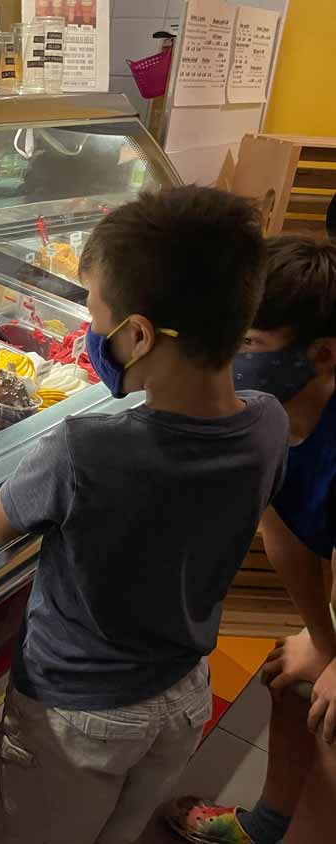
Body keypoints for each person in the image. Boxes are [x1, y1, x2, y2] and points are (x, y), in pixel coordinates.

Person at [0, 186, 289, 844]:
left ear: (138, 335)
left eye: (94, 316)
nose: (90, 333)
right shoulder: (268, 422)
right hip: (182, 696)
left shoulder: (83, 448)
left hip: (76, 713)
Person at [169, 235, 336, 844]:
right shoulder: (271, 417)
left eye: (251, 345)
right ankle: (267, 827)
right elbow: (288, 537)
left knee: (331, 727)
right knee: (291, 678)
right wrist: (322, 639)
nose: (230, 356)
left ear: (320, 355)